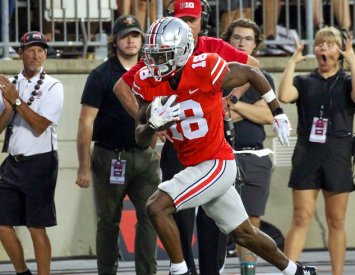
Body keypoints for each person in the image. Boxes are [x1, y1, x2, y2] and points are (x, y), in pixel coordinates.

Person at [134, 16, 316, 275]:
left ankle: (179, 271)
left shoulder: (204, 67)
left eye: (163, 55)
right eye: (152, 55)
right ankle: (296, 271)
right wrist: (152, 126)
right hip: (195, 164)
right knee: (244, 234)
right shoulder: (147, 80)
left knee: (156, 206)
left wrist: (277, 112)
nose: (155, 63)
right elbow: (139, 139)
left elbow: (252, 73)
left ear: (183, 51)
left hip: (215, 163)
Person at [113, 1, 260, 273]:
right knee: (176, 214)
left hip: (212, 145)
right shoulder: (161, 51)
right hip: (180, 145)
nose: (187, 25)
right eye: (182, 19)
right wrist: (152, 122)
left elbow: (252, 66)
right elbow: (122, 86)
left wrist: (233, 98)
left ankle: (210, 270)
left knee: (214, 219)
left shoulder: (213, 47)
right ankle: (184, 269)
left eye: (192, 19)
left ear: (201, 21)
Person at [278, 26, 355, 275]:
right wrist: (292, 62)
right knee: (301, 216)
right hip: (308, 151)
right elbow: (284, 95)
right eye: (320, 44)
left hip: (338, 152)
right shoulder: (305, 81)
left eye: (329, 45)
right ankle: (289, 270)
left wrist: (353, 60)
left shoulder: (348, 80)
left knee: (336, 220)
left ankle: (337, 272)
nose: (323, 49)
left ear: (339, 51)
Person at [75, 15, 160, 275]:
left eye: (135, 35)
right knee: (109, 221)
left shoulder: (151, 71)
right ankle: (107, 271)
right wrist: (83, 167)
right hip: (110, 156)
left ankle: (148, 272)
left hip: (145, 157)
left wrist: (155, 143)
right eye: (125, 36)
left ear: (142, 40)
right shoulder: (101, 75)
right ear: (115, 41)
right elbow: (85, 122)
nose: (131, 40)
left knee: (150, 217)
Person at [0, 31, 64, 275]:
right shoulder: (9, 85)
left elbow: (40, 125)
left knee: (36, 227)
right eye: (31, 50)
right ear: (20, 53)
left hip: (41, 162)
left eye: (41, 50)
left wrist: (15, 102)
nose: (36, 55)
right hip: (13, 162)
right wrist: (7, 109)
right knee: (2, 223)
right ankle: (21, 271)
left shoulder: (53, 86)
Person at [221, 18, 275, 275]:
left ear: (256, 45)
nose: (242, 43)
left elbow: (268, 116)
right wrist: (251, 110)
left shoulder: (264, 77)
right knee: (218, 222)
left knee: (251, 224)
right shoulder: (217, 73)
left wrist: (233, 105)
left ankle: (248, 271)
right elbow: (217, 115)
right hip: (222, 155)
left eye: (248, 39)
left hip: (255, 156)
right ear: (227, 41)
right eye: (237, 38)